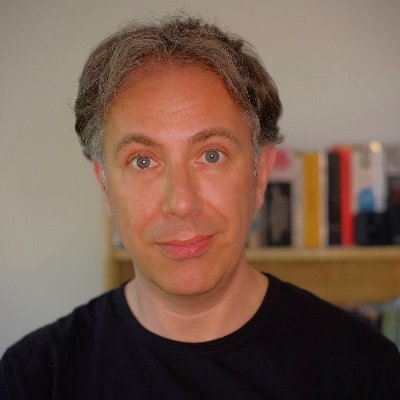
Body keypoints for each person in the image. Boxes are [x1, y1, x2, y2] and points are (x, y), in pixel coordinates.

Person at [1, 15, 400, 400]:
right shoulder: (34, 377)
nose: (181, 203)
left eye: (211, 155)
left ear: (260, 175)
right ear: (105, 185)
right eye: (143, 161)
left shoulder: (365, 370)